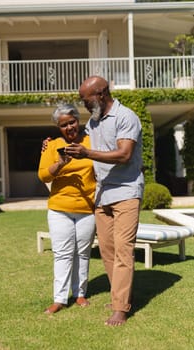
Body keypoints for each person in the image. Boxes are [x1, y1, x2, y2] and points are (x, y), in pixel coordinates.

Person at [65, 76, 144, 326]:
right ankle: (120, 295)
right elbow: (80, 141)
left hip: (126, 192)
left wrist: (87, 154)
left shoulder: (126, 117)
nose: (83, 104)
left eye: (85, 99)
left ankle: (121, 308)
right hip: (103, 194)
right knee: (108, 251)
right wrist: (55, 141)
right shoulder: (94, 121)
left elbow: (124, 154)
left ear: (101, 94)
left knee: (123, 250)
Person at [38, 103, 96, 314]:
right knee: (62, 254)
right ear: (58, 127)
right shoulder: (52, 146)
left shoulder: (91, 142)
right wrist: (61, 163)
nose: (69, 127)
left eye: (72, 122)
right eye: (64, 125)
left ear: (78, 120)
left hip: (86, 209)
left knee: (83, 253)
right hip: (59, 209)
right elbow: (43, 175)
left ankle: (80, 294)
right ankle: (59, 299)